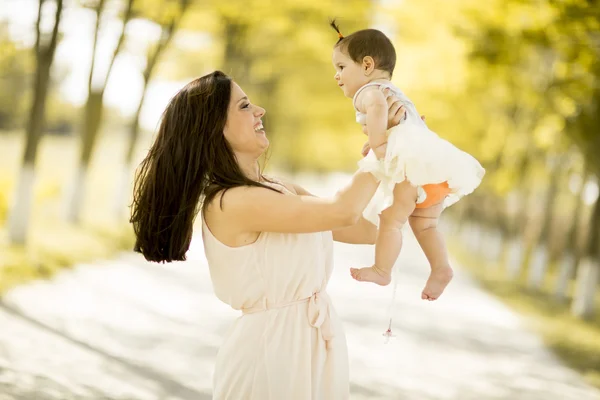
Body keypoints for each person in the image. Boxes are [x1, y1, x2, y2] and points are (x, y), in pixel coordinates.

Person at [129, 70, 406, 399]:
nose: (259, 111)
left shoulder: (279, 188)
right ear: (215, 128)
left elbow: (358, 227)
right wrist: (383, 145)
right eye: (244, 106)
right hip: (270, 356)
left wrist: (414, 188)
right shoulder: (231, 202)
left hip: (311, 347)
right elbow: (342, 210)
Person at [330, 21, 485, 300]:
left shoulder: (369, 92)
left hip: (413, 172)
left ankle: (382, 269)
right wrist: (378, 138)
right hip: (436, 172)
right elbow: (403, 128)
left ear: (367, 65)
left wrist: (378, 145)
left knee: (390, 220)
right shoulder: (397, 93)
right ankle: (441, 267)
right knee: (426, 224)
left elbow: (377, 108)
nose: (336, 76)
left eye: (341, 67)